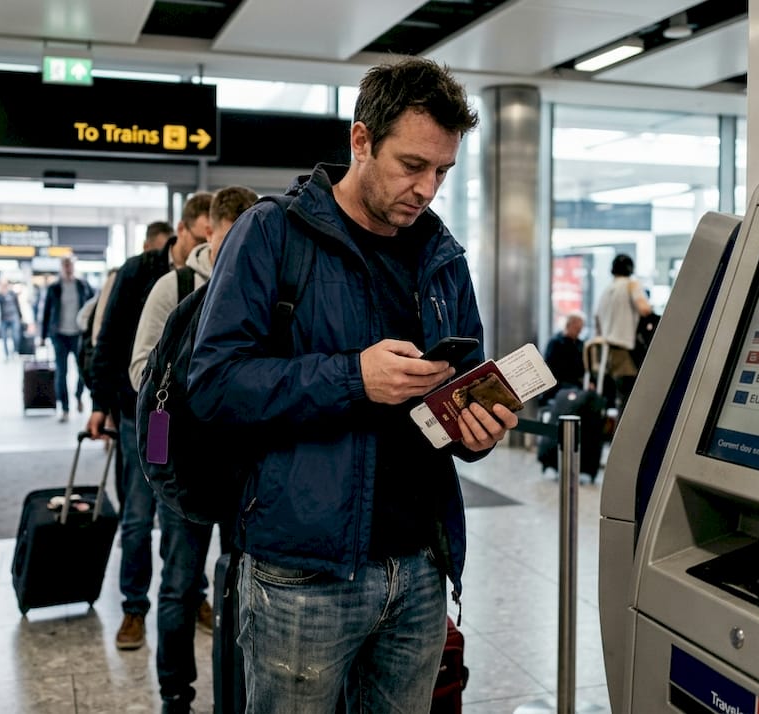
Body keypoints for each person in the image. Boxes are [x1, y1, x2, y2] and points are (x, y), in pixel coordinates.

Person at [187, 57, 516, 713]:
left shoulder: (441, 256)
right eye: (412, 165)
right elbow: (215, 385)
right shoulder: (273, 234)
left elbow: (465, 382)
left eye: (443, 172)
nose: (427, 188)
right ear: (360, 141)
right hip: (300, 574)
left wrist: (479, 429)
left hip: (421, 569)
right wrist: (353, 377)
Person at [128, 185, 258, 713]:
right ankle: (175, 696)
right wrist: (200, 388)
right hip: (187, 465)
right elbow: (142, 372)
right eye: (234, 238)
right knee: (181, 583)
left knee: (248, 583)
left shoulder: (264, 290)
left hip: (247, 469)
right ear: (212, 230)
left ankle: (240, 692)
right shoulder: (174, 287)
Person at [87, 196, 213, 652]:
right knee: (138, 517)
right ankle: (133, 608)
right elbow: (108, 342)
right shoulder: (139, 273)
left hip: (190, 428)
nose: (209, 242)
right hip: (139, 416)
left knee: (185, 516)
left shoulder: (220, 279)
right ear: (185, 230)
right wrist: (101, 403)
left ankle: (192, 595)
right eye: (202, 236)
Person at [593, 253, 653, 410]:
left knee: (616, 400)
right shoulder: (631, 285)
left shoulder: (606, 290)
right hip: (625, 353)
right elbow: (644, 309)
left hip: (608, 352)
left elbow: (597, 321)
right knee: (629, 403)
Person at [40, 256, 94, 420]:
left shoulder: (82, 285)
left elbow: (93, 307)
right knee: (61, 371)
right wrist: (42, 336)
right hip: (59, 335)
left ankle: (78, 396)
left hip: (78, 334)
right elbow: (47, 313)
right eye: (65, 265)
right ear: (61, 268)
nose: (68, 268)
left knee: (83, 371)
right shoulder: (54, 288)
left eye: (70, 265)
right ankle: (64, 407)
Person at [542, 313, 586, 401]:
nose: (579, 332)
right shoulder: (556, 343)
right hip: (559, 384)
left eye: (580, 330)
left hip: (576, 383)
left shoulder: (580, 344)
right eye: (577, 329)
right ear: (568, 325)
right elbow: (550, 367)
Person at [0, 279, 23, 360]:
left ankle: (15, 351)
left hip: (14, 317)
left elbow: (17, 305)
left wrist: (20, 316)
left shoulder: (12, 294)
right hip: (4, 319)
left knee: (15, 335)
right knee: (4, 337)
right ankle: (6, 354)